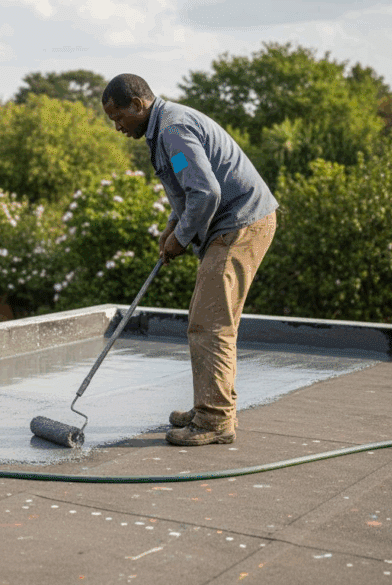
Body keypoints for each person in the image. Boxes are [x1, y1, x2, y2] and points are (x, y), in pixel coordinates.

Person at [101, 73, 278, 446]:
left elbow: (206, 192)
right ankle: (209, 408)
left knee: (210, 324)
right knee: (208, 319)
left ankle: (214, 420)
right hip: (234, 224)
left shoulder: (173, 130)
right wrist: (172, 229)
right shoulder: (165, 127)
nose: (117, 127)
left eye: (119, 117)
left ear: (138, 105)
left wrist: (181, 238)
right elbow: (188, 190)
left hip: (240, 224)